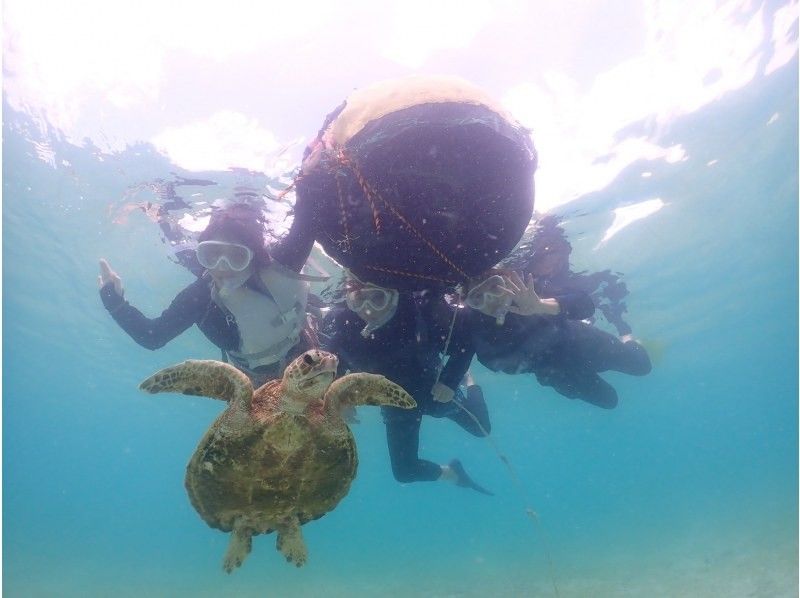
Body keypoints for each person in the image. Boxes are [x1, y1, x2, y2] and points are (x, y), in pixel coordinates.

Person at [98, 202, 317, 386]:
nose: (223, 268)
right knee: (184, 254)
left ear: (253, 256)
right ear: (202, 253)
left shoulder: (282, 264)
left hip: (306, 354)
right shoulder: (199, 298)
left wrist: (310, 174)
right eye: (211, 254)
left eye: (236, 256)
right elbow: (152, 336)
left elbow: (307, 220)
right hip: (256, 379)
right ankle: (168, 227)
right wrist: (114, 302)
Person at [320, 273, 493, 494]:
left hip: (434, 390)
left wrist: (450, 381)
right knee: (405, 471)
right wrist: (339, 399)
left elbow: (465, 342)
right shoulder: (346, 326)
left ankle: (469, 381)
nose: (367, 308)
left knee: (482, 430)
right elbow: (330, 365)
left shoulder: (418, 312)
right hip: (395, 403)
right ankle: (452, 473)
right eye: (358, 299)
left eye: (377, 298)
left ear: (393, 296)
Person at [455, 270, 651, 409]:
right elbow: (480, 357)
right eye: (477, 298)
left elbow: (584, 304)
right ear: (470, 305)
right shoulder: (477, 327)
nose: (491, 300)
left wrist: (540, 305)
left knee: (642, 366)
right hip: (556, 372)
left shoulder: (527, 288)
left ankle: (626, 334)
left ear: (505, 280)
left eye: (495, 287)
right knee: (609, 401)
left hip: (582, 341)